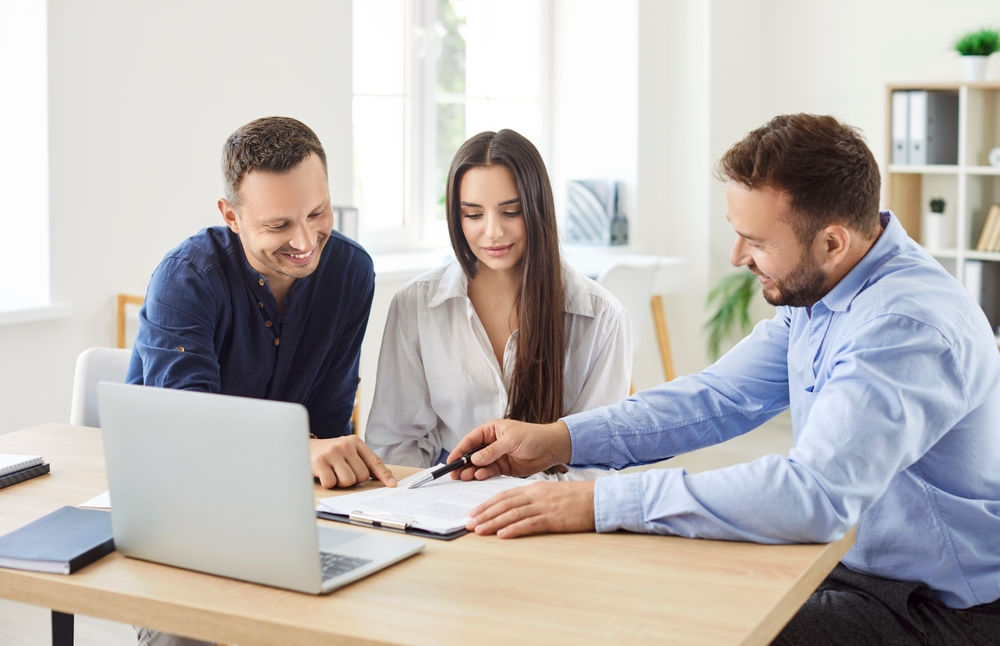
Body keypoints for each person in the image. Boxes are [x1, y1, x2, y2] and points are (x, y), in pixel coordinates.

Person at [447, 114, 1000, 644]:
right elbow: (718, 398)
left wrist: (597, 501)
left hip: (938, 609)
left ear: (831, 243)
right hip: (849, 566)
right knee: (643, 593)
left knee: (677, 630)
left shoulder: (904, 327)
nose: (738, 256)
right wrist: (559, 439)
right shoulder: (824, 292)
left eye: (756, 242)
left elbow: (813, 495)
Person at [365, 129, 631, 479]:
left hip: (550, 509)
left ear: (538, 210)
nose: (492, 232)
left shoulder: (603, 318)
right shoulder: (415, 305)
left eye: (511, 212)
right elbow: (394, 441)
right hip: (447, 500)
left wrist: (518, 505)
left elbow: (595, 461)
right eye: (473, 215)